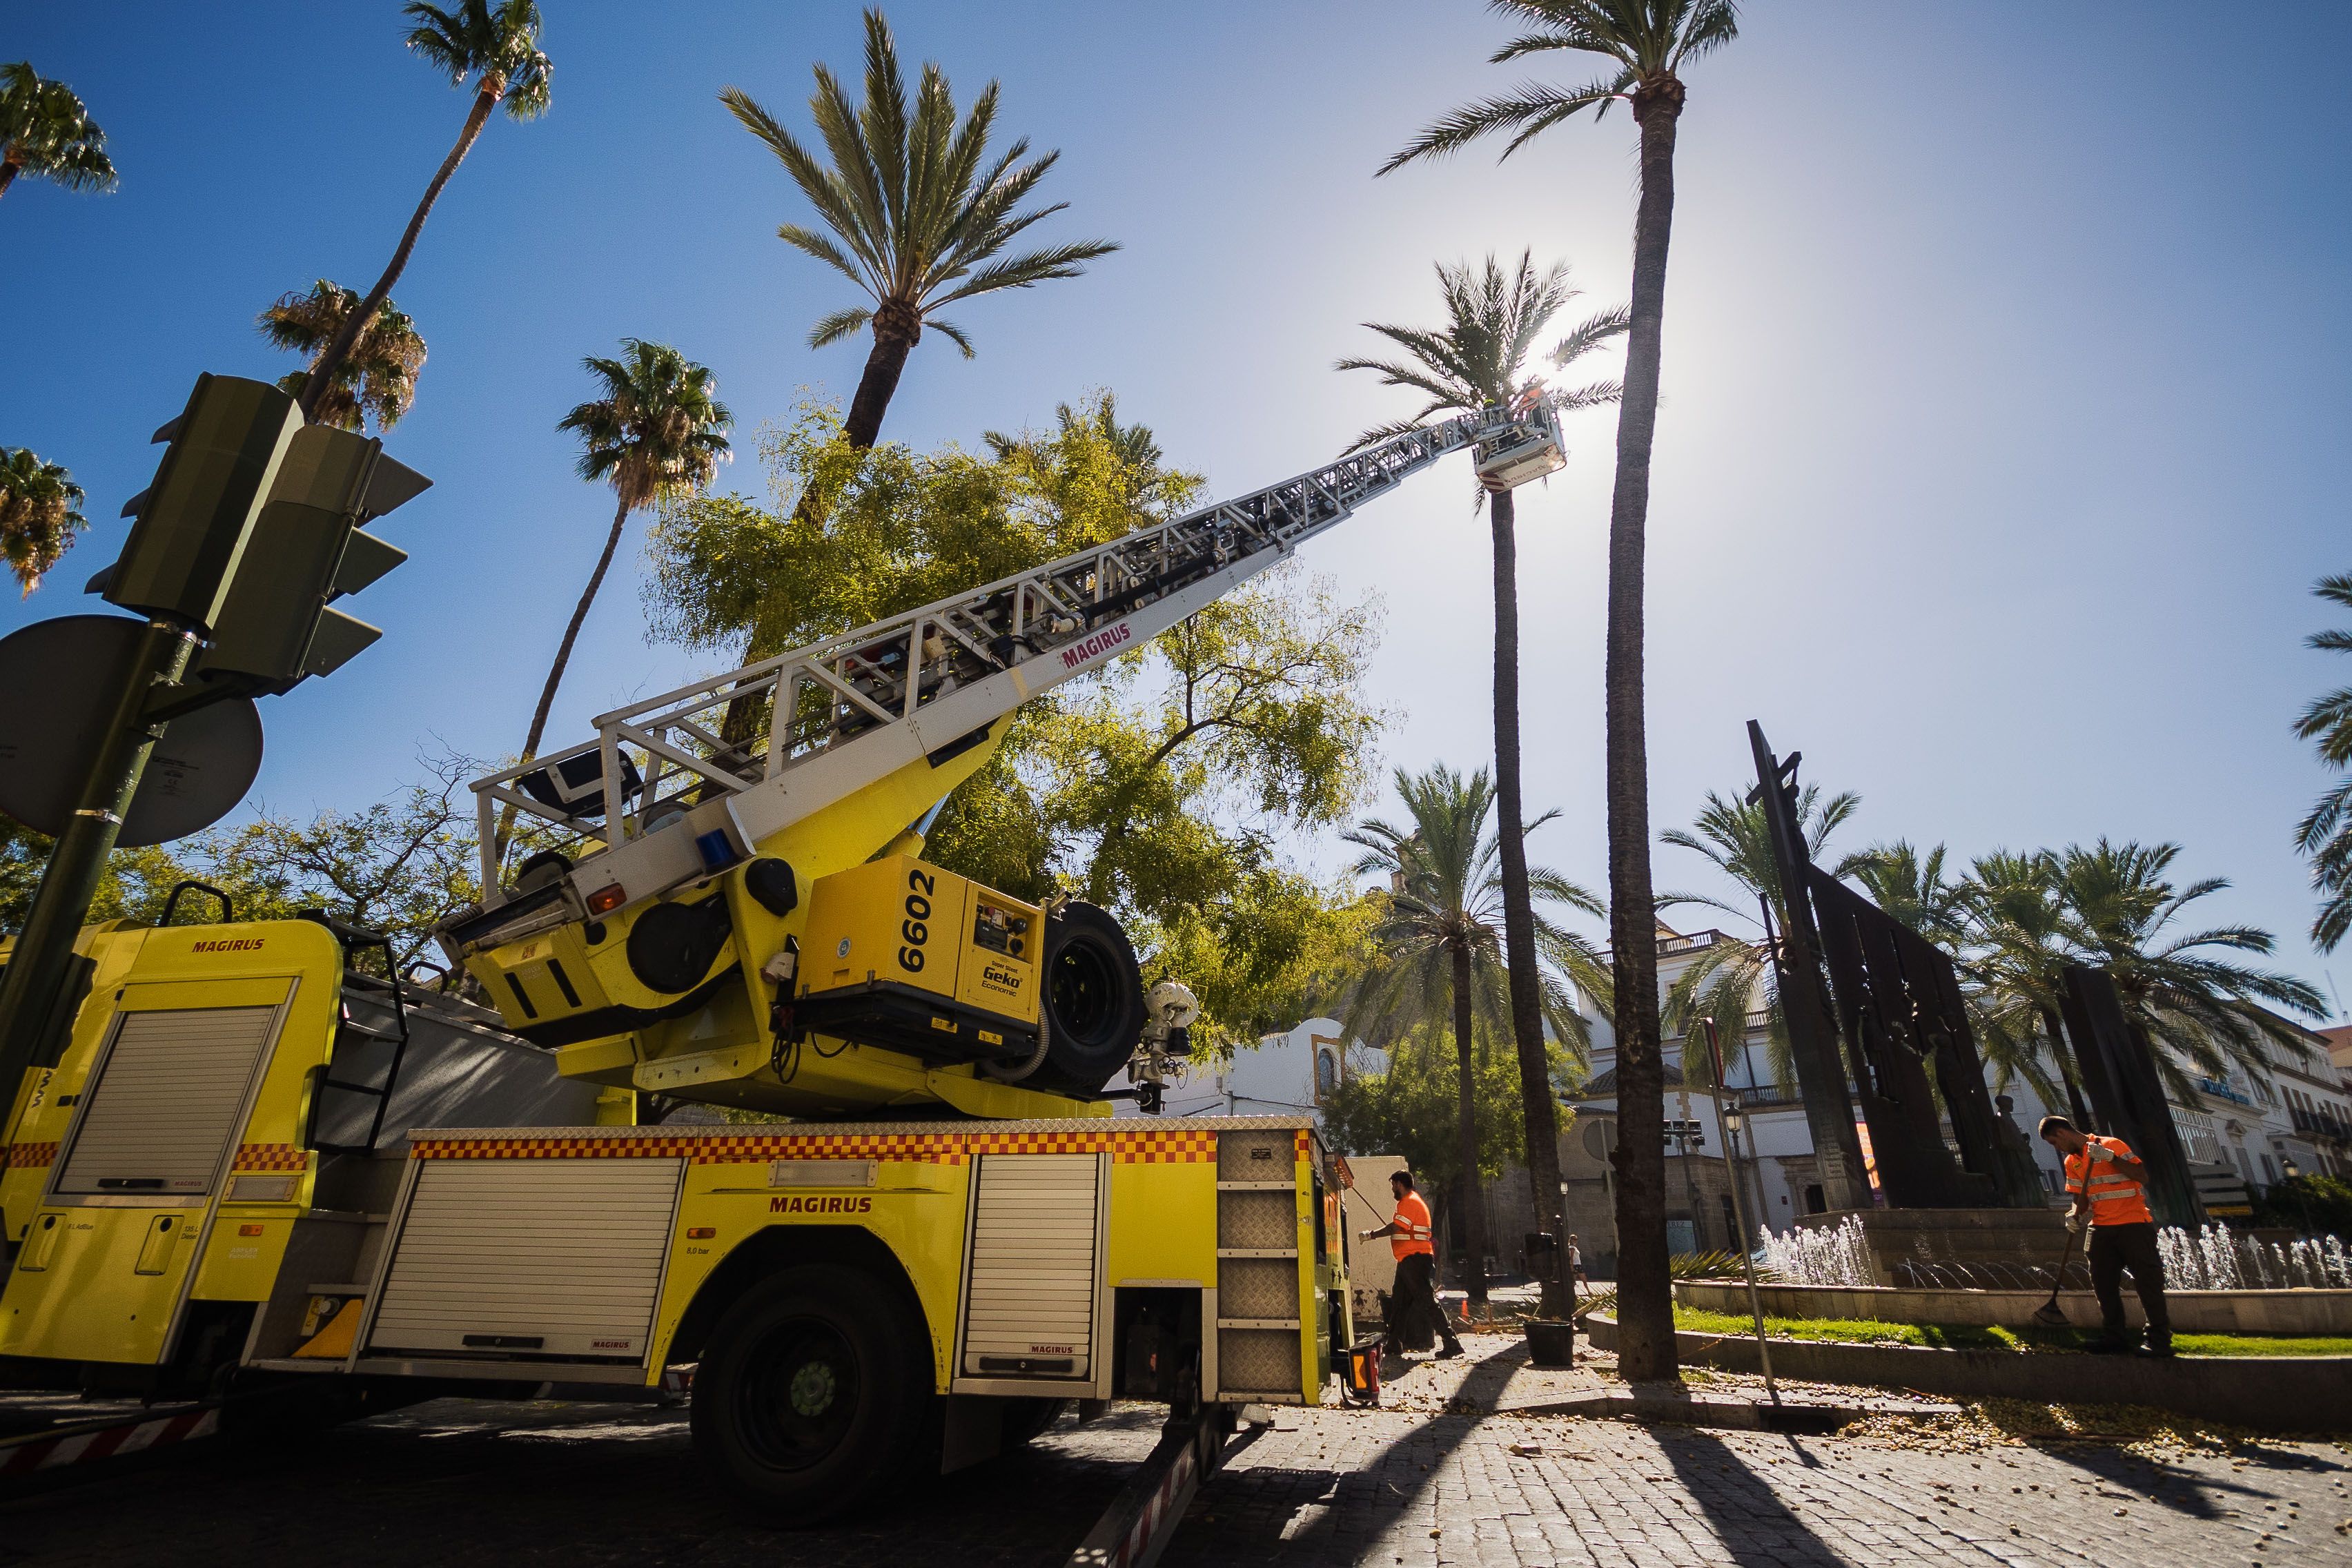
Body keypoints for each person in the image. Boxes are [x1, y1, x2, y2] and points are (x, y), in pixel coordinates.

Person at [2038, 1115, 2172, 1357]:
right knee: (2102, 1284)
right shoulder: (2072, 1162)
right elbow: (2080, 1198)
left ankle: (2159, 1340)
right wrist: (2073, 1215)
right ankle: (2114, 1337)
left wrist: (2111, 1159)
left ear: (2061, 1134)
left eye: (2054, 1143)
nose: (2056, 1149)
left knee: (2148, 1282)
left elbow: (2142, 1176)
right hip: (2100, 1228)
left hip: (2133, 1225)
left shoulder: (2111, 1145)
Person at [1360, 1169, 1462, 1360]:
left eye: (1393, 1185)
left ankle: (1452, 1343)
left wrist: (1371, 1234)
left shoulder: (1409, 1202)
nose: (1392, 1189)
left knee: (1427, 1301)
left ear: (1400, 1184)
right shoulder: (1411, 1202)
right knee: (1400, 1303)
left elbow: (1397, 1227)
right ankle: (1394, 1344)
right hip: (1409, 1260)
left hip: (1415, 1259)